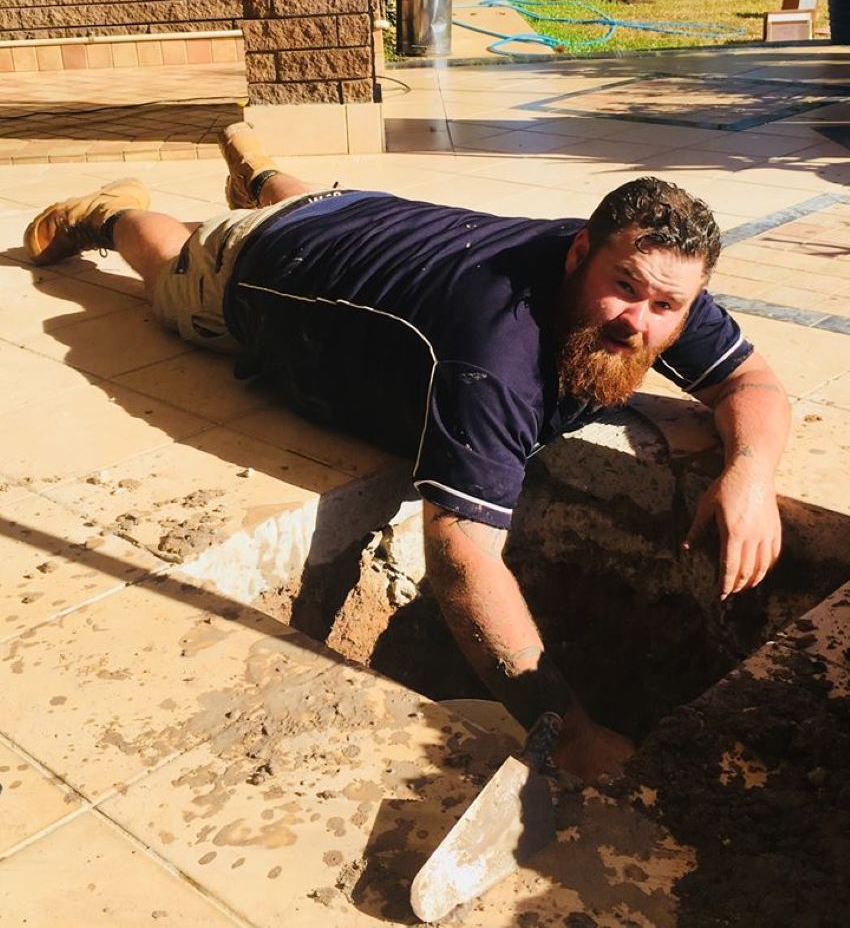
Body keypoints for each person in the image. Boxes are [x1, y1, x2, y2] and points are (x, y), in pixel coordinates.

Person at [24, 125, 790, 781]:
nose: (638, 322)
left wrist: (750, 472)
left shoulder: (653, 273)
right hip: (264, 262)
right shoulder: (495, 353)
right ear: (580, 251)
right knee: (175, 272)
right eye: (624, 288)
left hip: (359, 214)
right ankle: (115, 211)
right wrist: (574, 734)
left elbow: (751, 382)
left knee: (315, 206)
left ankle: (262, 177)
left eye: (665, 307)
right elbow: (461, 555)